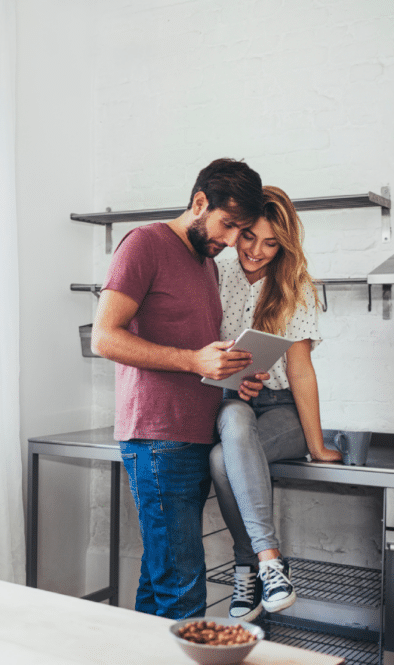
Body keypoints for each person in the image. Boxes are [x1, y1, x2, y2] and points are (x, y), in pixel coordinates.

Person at [90, 158, 266, 619]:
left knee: (160, 581)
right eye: (228, 225)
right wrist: (192, 360)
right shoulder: (144, 244)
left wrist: (234, 371)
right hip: (157, 439)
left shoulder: (204, 261)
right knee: (184, 592)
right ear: (199, 202)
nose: (230, 242)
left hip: (193, 435)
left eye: (238, 231)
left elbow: (194, 352)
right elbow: (104, 336)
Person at [209, 185, 342, 622]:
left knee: (222, 458)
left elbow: (301, 370)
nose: (257, 251)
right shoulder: (215, 274)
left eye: (271, 243)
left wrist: (318, 446)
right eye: (249, 237)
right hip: (233, 400)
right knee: (227, 435)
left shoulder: (293, 284)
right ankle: (269, 561)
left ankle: (249, 565)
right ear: (237, 231)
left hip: (281, 409)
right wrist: (231, 376)